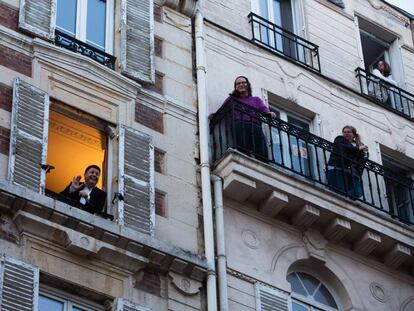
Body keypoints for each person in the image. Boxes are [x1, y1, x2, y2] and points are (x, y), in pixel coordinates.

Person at [221, 76, 276, 161]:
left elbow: (263, 109)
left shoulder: (256, 99)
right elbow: (223, 109)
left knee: (261, 152)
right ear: (235, 87)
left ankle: (263, 163)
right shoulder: (232, 99)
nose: (241, 85)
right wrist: (214, 114)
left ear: (248, 85)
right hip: (240, 126)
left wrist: (269, 113)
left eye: (243, 82)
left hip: (255, 126)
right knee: (243, 150)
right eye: (238, 83)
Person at [327, 126, 368, 199]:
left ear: (354, 135)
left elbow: (361, 160)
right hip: (338, 168)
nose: (346, 133)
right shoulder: (339, 139)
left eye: (348, 132)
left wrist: (364, 153)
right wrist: (358, 149)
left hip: (352, 172)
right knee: (339, 192)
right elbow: (343, 148)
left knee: (357, 193)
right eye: (344, 132)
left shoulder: (358, 145)